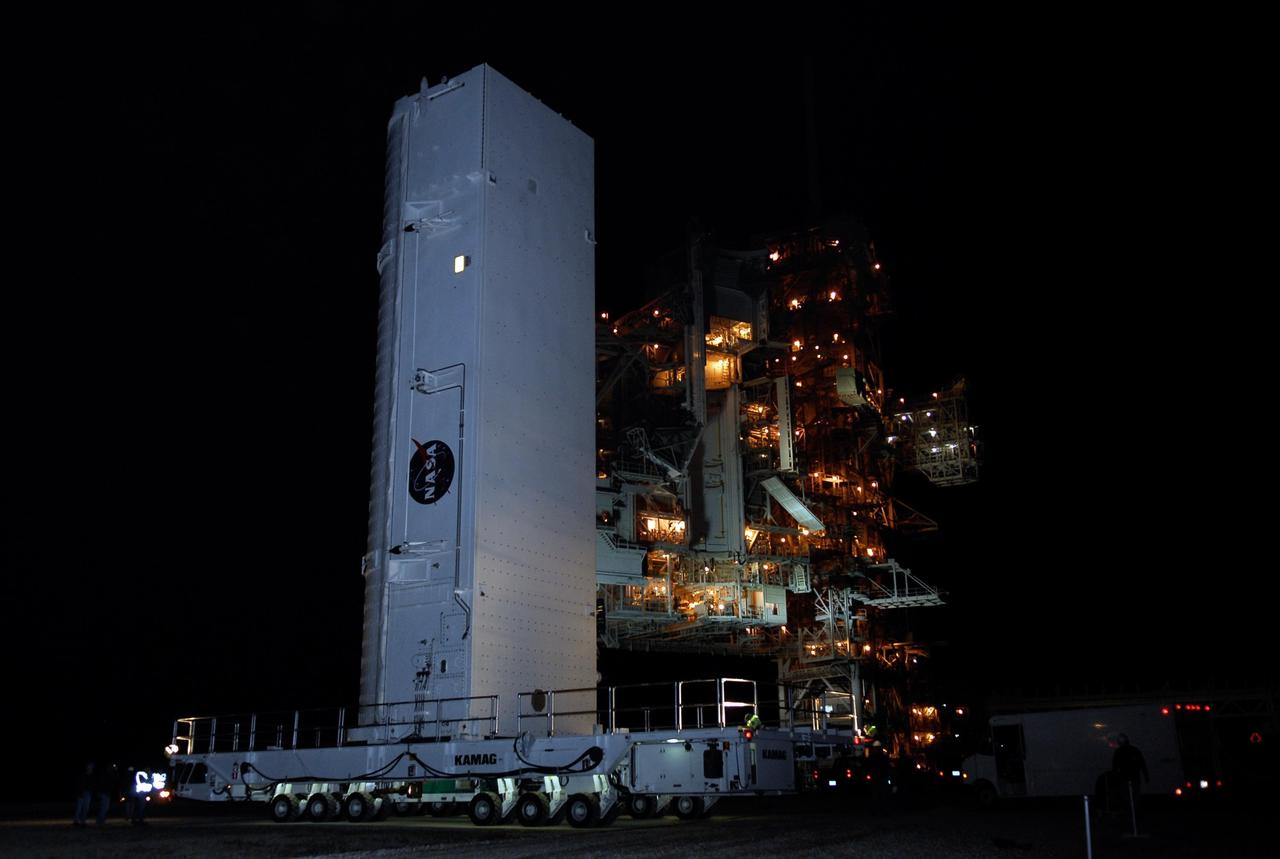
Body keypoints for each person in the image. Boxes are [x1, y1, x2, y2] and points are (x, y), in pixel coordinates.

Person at [1112, 734, 1149, 807]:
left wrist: (1115, 777)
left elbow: (1115, 766)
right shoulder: (1134, 750)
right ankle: (1134, 810)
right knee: (1134, 795)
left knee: (1127, 795)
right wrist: (1146, 776)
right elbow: (1142, 763)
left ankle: (1131, 810)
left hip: (1126, 777)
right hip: (1132, 776)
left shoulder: (1119, 751)